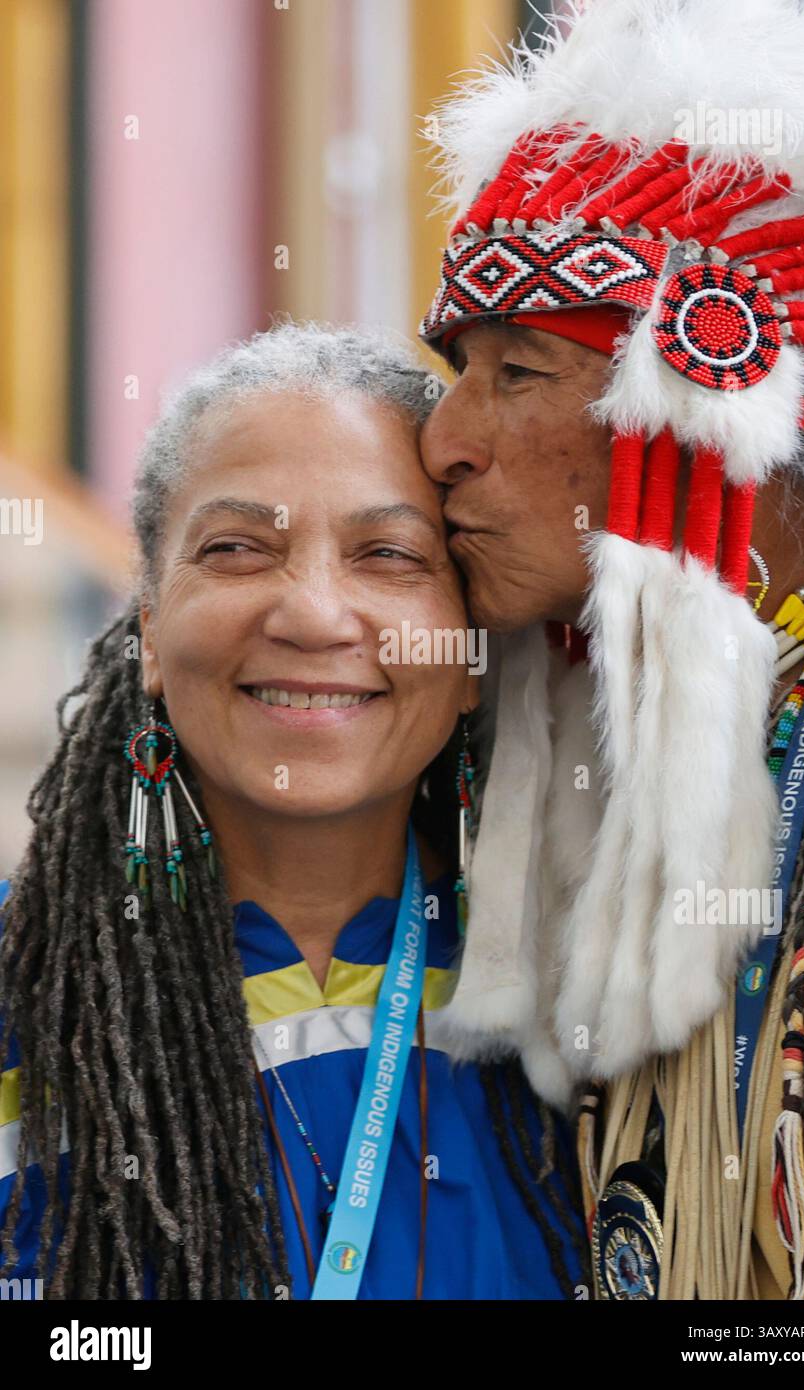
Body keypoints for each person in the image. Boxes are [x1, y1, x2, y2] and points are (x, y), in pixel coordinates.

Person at [416, 0, 804, 1299]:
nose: (442, 437)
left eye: (517, 371)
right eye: (454, 366)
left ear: (707, 394)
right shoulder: (568, 767)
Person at [0, 320, 588, 1300]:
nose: (314, 614)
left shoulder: (584, 1011)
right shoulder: (31, 1000)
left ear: (470, 654)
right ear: (148, 627)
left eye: (389, 554)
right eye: (236, 548)